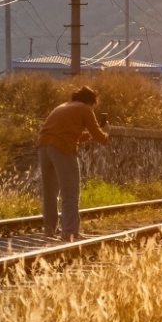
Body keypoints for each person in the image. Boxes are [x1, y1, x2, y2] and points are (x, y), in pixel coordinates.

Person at [37, 86, 109, 241]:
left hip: (43, 146)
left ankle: (49, 230)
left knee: (50, 193)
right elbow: (99, 136)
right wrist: (107, 134)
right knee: (70, 193)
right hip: (62, 148)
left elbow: (73, 135)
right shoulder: (85, 109)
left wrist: (88, 135)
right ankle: (70, 232)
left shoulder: (62, 107)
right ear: (91, 101)